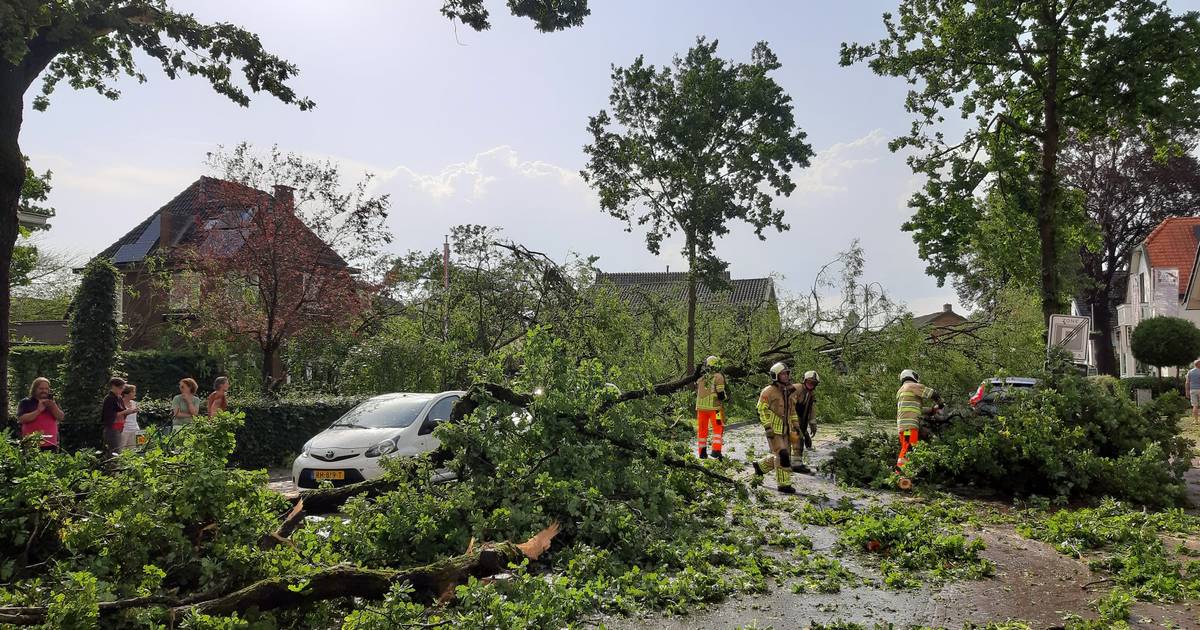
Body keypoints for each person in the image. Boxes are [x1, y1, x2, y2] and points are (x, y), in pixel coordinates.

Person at [752, 362, 799, 494]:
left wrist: (796, 426)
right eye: (782, 374)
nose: (785, 376)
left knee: (783, 455)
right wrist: (768, 427)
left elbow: (792, 410)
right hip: (774, 429)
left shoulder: (789, 390)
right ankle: (784, 485)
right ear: (775, 376)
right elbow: (761, 409)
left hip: (786, 429)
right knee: (782, 455)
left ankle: (760, 466)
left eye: (786, 373)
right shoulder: (768, 391)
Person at [895, 369, 942, 470]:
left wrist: (932, 410)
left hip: (903, 427)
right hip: (909, 428)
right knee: (908, 448)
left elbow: (916, 409)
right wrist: (941, 403)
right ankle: (901, 473)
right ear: (912, 376)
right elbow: (932, 394)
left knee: (908, 447)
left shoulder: (901, 390)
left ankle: (908, 472)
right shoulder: (912, 386)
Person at [17, 377, 63, 450]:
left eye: (46, 389)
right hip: (31, 443)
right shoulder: (26, 402)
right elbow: (22, 419)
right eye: (41, 389)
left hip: (51, 444)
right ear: (34, 389)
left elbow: (61, 417)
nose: (44, 391)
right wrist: (38, 410)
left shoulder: (53, 402)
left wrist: (53, 407)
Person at [695, 356, 727, 459]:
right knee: (718, 428)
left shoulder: (701, 378)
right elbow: (721, 394)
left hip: (701, 409)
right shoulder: (718, 377)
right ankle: (716, 451)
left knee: (702, 430)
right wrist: (725, 397)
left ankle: (702, 453)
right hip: (715, 409)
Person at [789, 370, 820, 474]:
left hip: (798, 421)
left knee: (794, 443)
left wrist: (812, 423)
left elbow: (811, 409)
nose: (811, 384)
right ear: (804, 380)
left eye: (813, 383)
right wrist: (797, 427)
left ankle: (796, 464)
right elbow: (790, 407)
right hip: (788, 419)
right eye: (809, 382)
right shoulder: (795, 389)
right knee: (785, 446)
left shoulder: (810, 394)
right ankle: (762, 465)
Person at [101, 377, 136, 455]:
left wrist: (130, 411)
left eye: (123, 388)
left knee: (120, 451)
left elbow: (122, 412)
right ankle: (113, 466)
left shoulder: (119, 398)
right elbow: (110, 414)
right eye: (120, 388)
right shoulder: (109, 398)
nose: (122, 390)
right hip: (112, 428)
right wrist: (126, 411)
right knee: (114, 452)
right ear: (113, 386)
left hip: (120, 427)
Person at [121, 384, 141, 451]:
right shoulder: (119, 403)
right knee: (121, 451)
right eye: (133, 392)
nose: (135, 393)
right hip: (123, 430)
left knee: (133, 451)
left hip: (134, 429)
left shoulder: (134, 403)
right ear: (126, 394)